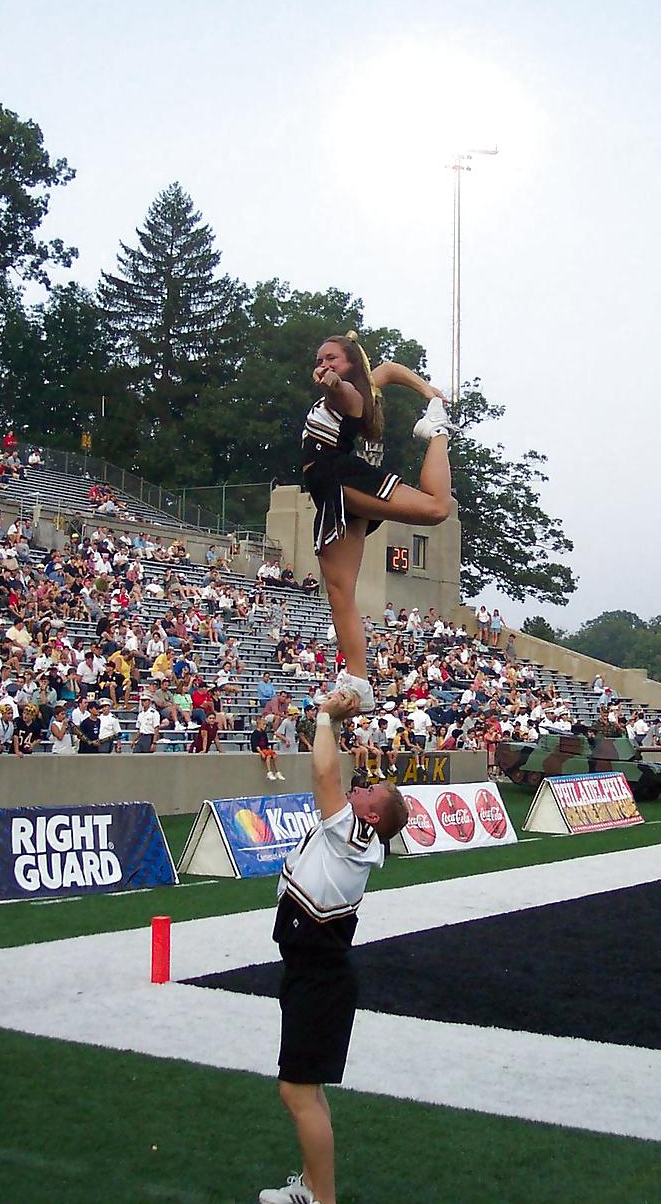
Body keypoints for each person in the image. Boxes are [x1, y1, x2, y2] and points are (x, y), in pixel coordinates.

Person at [260, 688, 408, 1204]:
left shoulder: (352, 834)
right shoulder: (355, 831)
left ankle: (322, 1200)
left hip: (319, 974)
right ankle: (312, 1189)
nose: (362, 787)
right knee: (308, 1090)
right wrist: (337, 724)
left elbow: (324, 775)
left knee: (296, 1091)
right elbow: (336, 777)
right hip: (315, 970)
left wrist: (326, 715)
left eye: (372, 791)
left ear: (369, 817)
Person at [301, 333, 454, 714]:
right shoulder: (366, 385)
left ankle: (436, 431)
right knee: (339, 590)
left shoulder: (349, 394)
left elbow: (345, 395)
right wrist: (427, 388)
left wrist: (334, 383)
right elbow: (388, 370)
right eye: (319, 359)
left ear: (350, 363)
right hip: (330, 494)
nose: (324, 364)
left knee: (437, 508)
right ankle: (358, 682)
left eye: (332, 358)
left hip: (343, 479)